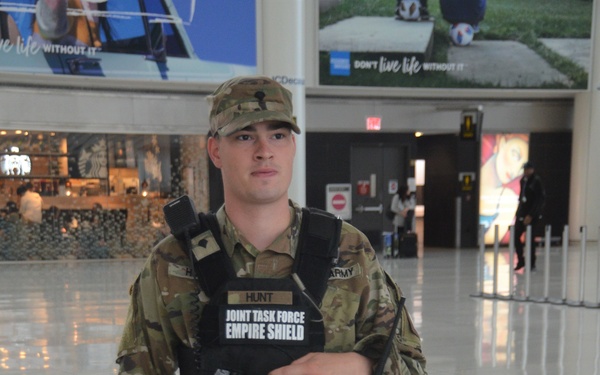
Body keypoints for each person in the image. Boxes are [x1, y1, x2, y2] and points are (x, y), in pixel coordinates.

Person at [116, 76, 426, 374]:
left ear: (292, 147)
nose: (264, 151)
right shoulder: (172, 262)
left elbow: (412, 365)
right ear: (215, 151)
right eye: (245, 136)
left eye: (277, 135)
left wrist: (358, 367)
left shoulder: (348, 250)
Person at [513, 161, 545, 271]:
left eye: (528, 169)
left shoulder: (536, 181)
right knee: (516, 236)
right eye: (524, 169)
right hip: (522, 213)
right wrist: (518, 213)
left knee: (530, 239)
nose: (526, 171)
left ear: (532, 169)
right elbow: (522, 198)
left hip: (532, 215)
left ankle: (531, 263)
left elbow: (539, 200)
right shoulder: (523, 181)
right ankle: (520, 260)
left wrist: (531, 215)